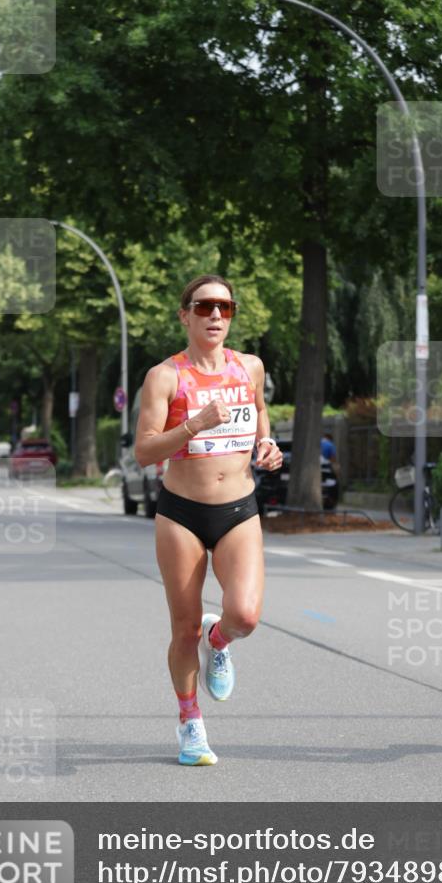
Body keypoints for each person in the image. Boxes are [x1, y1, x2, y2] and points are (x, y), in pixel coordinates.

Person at [134, 275, 283, 765]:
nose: (216, 315)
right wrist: (194, 424)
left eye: (225, 307)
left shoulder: (250, 367)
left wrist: (267, 442)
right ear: (185, 315)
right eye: (204, 307)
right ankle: (190, 722)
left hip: (239, 508)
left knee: (246, 615)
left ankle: (221, 640)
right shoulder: (165, 377)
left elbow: (259, 411)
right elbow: (143, 451)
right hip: (181, 513)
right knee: (183, 629)